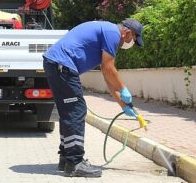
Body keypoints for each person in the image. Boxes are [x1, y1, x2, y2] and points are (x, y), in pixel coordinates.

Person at [43, 19, 144, 178]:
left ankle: (66, 157)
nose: (131, 44)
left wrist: (123, 105)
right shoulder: (113, 34)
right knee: (77, 111)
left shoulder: (108, 33)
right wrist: (124, 89)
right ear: (128, 33)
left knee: (69, 112)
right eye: (134, 39)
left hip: (56, 64)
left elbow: (107, 76)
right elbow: (109, 69)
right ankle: (75, 163)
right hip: (62, 65)